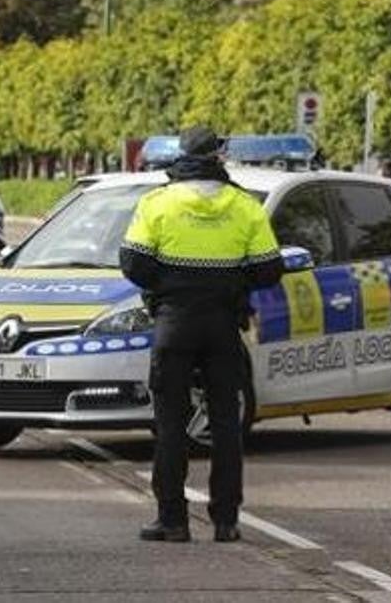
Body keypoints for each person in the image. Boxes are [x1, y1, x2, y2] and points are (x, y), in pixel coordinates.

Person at [119, 125, 284, 544]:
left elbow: (133, 264)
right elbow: (269, 268)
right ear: (219, 157)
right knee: (226, 424)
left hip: (173, 324)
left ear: (181, 156)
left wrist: (170, 285)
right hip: (224, 327)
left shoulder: (158, 203)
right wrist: (232, 284)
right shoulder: (244, 206)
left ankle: (172, 520)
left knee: (170, 423)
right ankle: (226, 521)